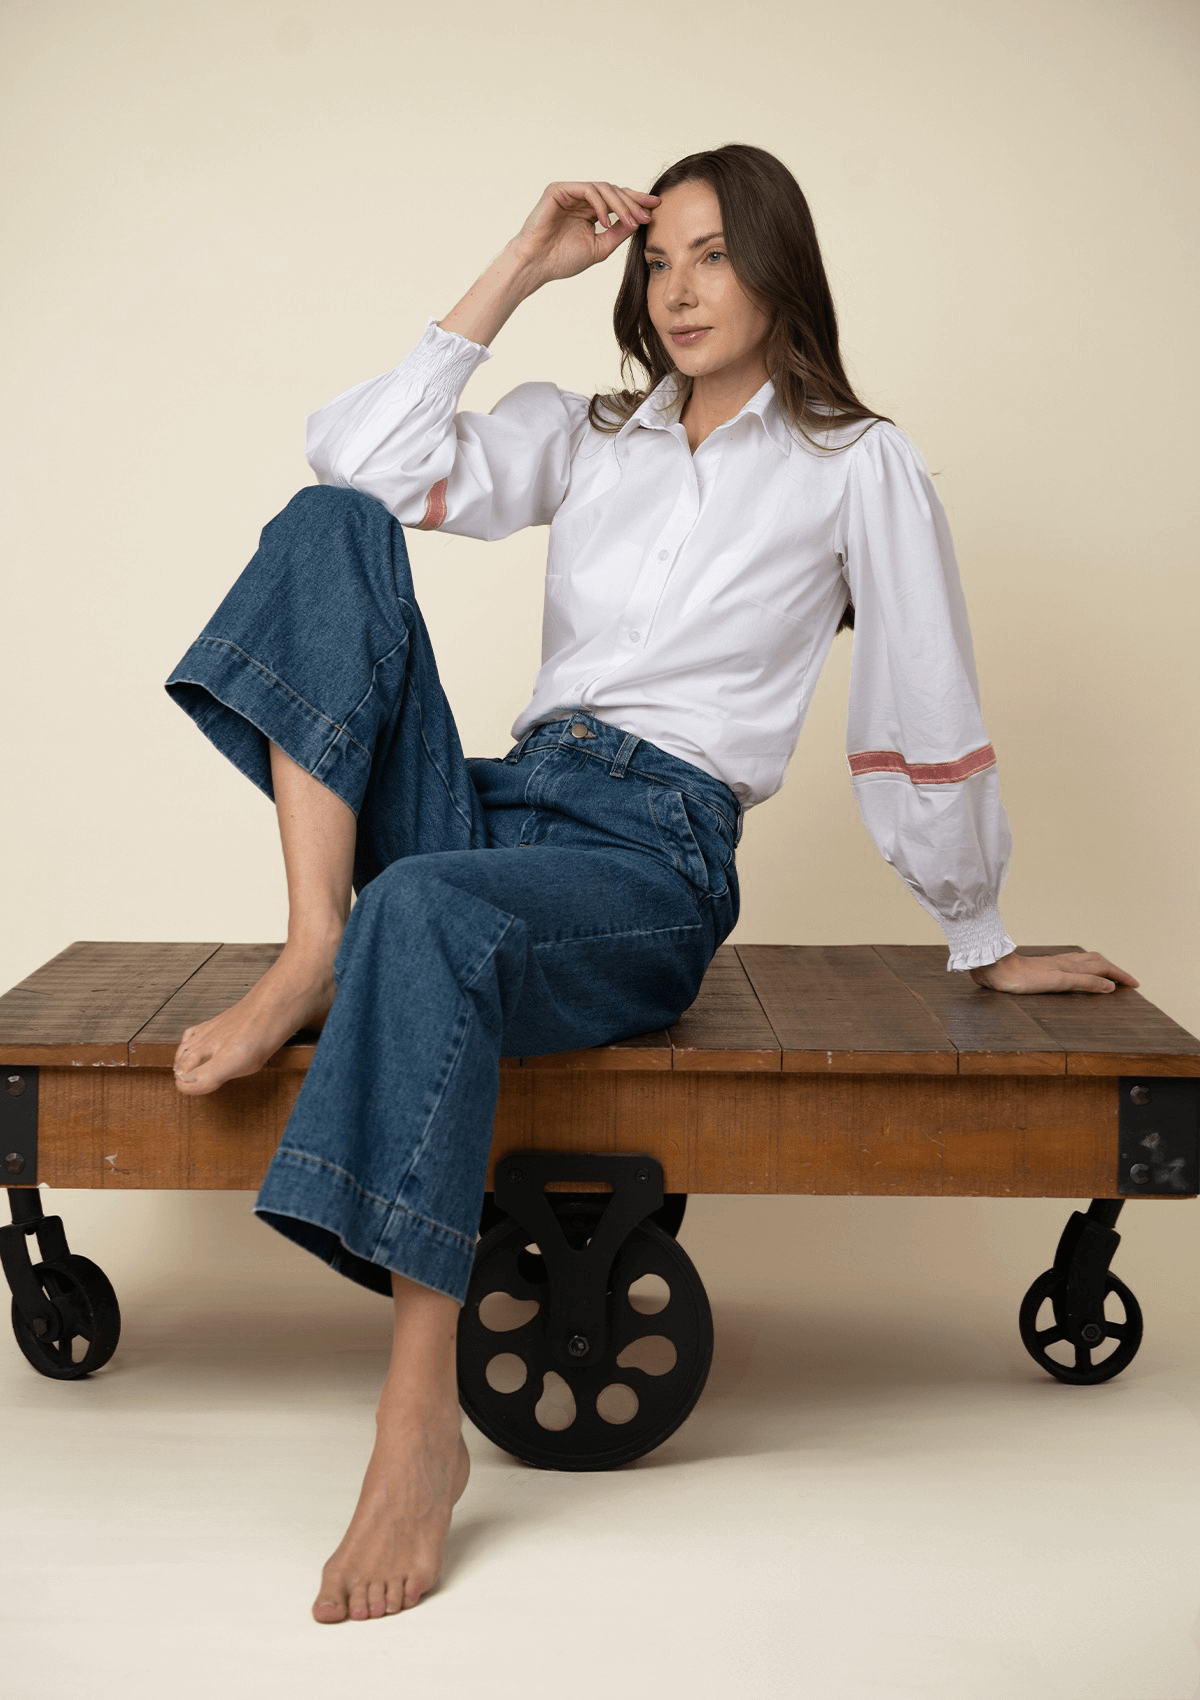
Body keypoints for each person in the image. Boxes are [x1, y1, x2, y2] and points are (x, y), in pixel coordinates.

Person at [164, 144, 1136, 1624]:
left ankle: (417, 1419)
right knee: (327, 529)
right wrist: (517, 265)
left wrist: (977, 928)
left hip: (646, 857)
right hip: (501, 802)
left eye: (713, 257)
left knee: (423, 905)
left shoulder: (853, 461)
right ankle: (314, 948)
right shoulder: (592, 432)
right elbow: (355, 460)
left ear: (778, 270)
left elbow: (920, 700)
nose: (677, 290)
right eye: (655, 259)